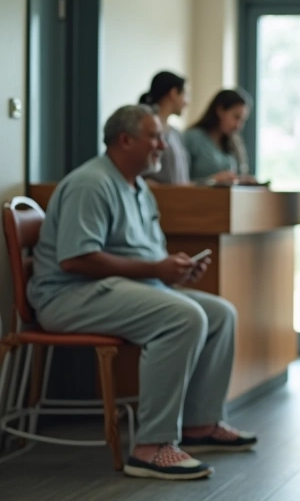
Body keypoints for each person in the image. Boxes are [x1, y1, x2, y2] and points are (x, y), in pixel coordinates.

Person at [26, 104, 256, 480]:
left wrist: (174, 271)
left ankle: (200, 425)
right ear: (125, 140)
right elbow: (76, 259)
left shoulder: (139, 188)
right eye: (155, 137)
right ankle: (151, 446)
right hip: (70, 295)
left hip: (123, 288)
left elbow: (144, 254)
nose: (163, 146)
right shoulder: (91, 183)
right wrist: (155, 270)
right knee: (183, 316)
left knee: (220, 313)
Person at [183, 89, 256, 185]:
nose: (238, 126)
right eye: (236, 117)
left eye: (242, 120)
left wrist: (241, 180)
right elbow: (179, 182)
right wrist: (212, 180)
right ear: (220, 110)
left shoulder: (234, 143)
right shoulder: (192, 138)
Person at [139, 71, 195, 185]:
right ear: (174, 93)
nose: (187, 102)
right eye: (185, 94)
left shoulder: (176, 134)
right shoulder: (143, 129)